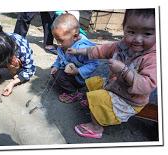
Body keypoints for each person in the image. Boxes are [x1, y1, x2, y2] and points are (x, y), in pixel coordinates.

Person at [67, 9, 157, 138]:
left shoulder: (153, 58)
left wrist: (124, 70)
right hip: (115, 86)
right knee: (94, 81)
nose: (137, 39)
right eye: (131, 32)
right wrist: (77, 51)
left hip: (129, 101)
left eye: (147, 33)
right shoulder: (122, 45)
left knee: (98, 98)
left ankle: (96, 128)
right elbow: (100, 50)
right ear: (123, 28)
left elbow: (147, 85)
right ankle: (96, 107)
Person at [50, 13, 100, 103]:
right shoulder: (64, 45)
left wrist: (78, 71)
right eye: (56, 40)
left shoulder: (82, 48)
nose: (58, 43)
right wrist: (56, 66)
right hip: (69, 70)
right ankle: (68, 84)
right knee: (56, 73)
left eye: (60, 40)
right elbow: (59, 57)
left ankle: (73, 93)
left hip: (81, 78)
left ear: (75, 36)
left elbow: (94, 63)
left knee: (59, 76)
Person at [0, 24, 36, 96]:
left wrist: (12, 83)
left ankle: (16, 69)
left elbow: (30, 69)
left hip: (13, 56)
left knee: (14, 65)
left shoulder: (22, 48)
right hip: (4, 55)